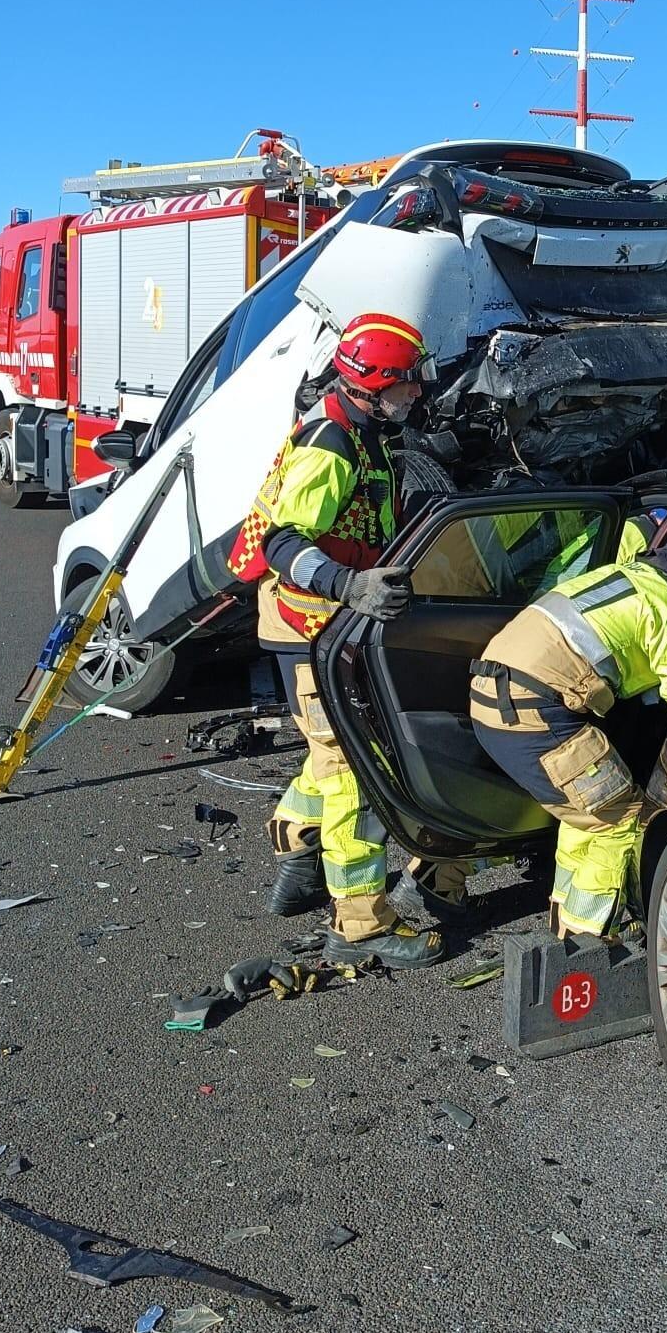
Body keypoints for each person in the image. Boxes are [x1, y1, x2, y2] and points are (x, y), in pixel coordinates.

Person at [228, 311, 444, 969]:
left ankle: (296, 838)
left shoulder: (366, 429)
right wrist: (350, 585)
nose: (417, 394)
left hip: (325, 623)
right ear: (373, 383)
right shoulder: (332, 443)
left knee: (330, 752)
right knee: (352, 768)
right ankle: (358, 922)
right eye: (408, 384)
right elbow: (283, 541)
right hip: (309, 625)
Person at [467, 534, 667, 941]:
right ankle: (588, 943)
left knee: (583, 812)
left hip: (490, 696)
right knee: (618, 816)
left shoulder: (630, 575)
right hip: (533, 710)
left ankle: (564, 924)